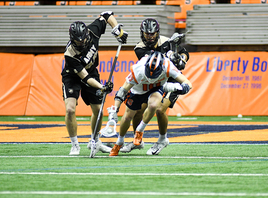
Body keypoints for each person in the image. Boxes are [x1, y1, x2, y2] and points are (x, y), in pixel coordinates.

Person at [61, 11, 128, 156]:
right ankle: (74, 144)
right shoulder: (70, 55)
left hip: (91, 71)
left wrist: (117, 30)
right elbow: (84, 78)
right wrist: (102, 87)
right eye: (78, 41)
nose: (82, 43)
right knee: (70, 109)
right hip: (73, 76)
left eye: (83, 39)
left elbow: (106, 15)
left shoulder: (92, 31)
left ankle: (95, 141)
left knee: (98, 110)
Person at [119, 18, 189, 155]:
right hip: (153, 81)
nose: (149, 37)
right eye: (147, 34)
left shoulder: (167, 41)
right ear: (142, 33)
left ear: (157, 33)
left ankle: (162, 139)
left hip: (170, 80)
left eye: (152, 34)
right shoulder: (139, 48)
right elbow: (156, 59)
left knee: (160, 109)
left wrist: (181, 60)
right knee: (138, 110)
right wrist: (171, 56)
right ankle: (137, 140)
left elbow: (184, 52)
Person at [108, 51, 192, 156]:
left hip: (156, 87)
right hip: (138, 89)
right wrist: (114, 110)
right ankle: (119, 142)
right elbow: (122, 91)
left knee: (153, 105)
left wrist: (179, 87)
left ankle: (140, 130)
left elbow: (188, 83)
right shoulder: (138, 69)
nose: (151, 78)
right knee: (127, 117)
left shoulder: (168, 66)